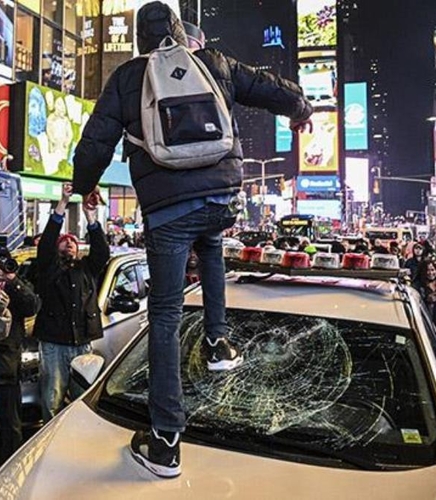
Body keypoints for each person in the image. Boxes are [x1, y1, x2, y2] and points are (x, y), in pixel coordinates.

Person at [70, 2, 313, 479]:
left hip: (167, 209)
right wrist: (301, 109)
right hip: (221, 195)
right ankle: (219, 341)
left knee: (164, 313)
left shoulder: (127, 78)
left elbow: (95, 140)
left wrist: (81, 187)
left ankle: (164, 441)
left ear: (141, 36)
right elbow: (266, 87)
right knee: (211, 242)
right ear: (180, 31)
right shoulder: (213, 62)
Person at [33, 183, 109, 421]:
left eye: (73, 242)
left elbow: (101, 252)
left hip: (81, 343)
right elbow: (45, 245)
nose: (69, 244)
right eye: (64, 241)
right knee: (51, 400)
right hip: (54, 344)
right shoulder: (47, 269)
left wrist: (90, 217)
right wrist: (62, 204)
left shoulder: (87, 269)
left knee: (83, 401)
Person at [0, 249, 39, 463]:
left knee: (10, 427)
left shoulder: (15, 285)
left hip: (6, 369)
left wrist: (12, 280)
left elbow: (32, 305)